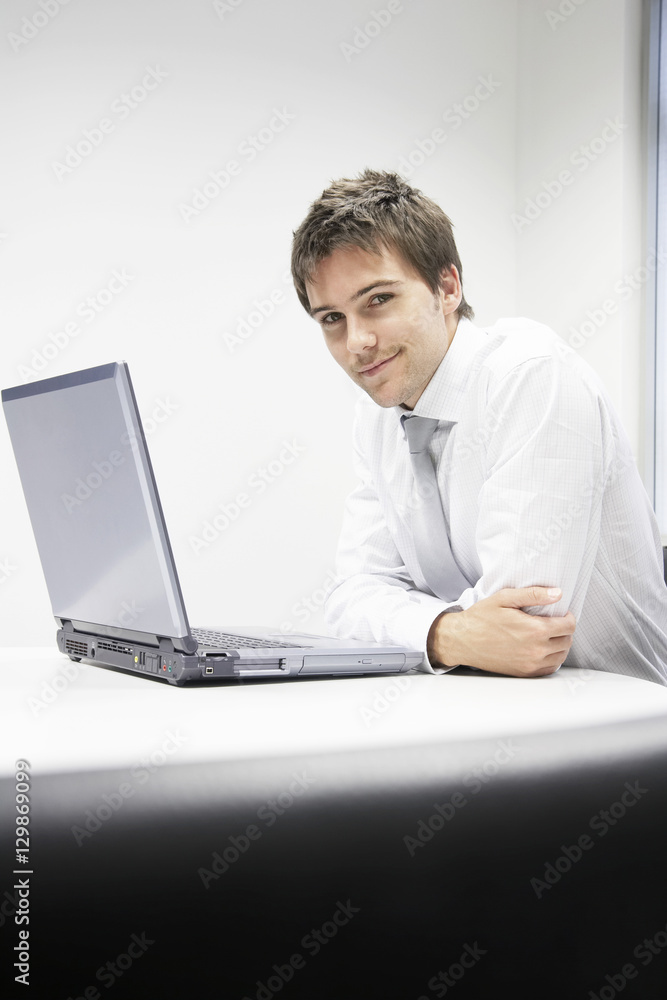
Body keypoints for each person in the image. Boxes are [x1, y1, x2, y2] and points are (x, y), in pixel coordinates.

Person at [290, 169, 667, 685]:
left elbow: (526, 626)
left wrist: (419, 628)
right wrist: (448, 634)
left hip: (628, 720)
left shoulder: (532, 378)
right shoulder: (378, 416)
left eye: (378, 300)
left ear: (447, 286)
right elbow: (351, 597)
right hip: (481, 709)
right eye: (332, 318)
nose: (357, 342)